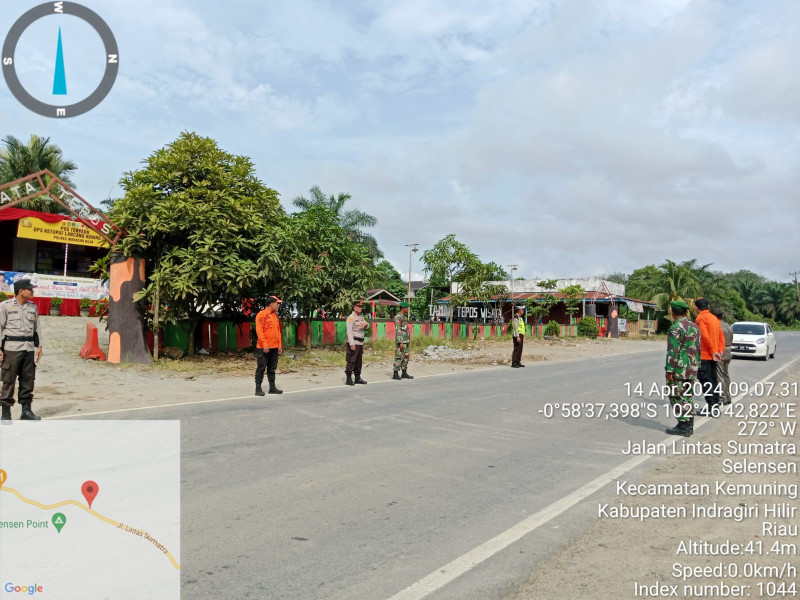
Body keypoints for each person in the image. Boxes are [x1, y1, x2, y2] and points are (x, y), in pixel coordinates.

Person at [0, 279, 43, 421]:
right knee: (9, 380)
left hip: (28, 348)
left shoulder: (33, 307)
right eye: (29, 289)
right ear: (21, 291)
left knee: (28, 380)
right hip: (11, 349)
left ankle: (26, 411)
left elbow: (37, 328)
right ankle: (6, 414)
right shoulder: (5, 306)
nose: (32, 291)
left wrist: (40, 346)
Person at [664, 300, 701, 436]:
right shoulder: (695, 327)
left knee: (675, 395)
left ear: (672, 313)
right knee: (687, 395)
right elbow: (697, 348)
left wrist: (669, 370)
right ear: (686, 312)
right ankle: (688, 425)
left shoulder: (675, 328)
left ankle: (683, 425)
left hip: (678, 369)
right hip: (692, 367)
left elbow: (673, 350)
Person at [694, 298, 725, 416]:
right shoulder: (714, 318)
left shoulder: (701, 318)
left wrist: (712, 351)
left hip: (705, 355)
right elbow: (721, 336)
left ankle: (712, 407)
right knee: (713, 380)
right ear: (708, 306)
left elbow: (704, 336)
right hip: (714, 355)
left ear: (697, 308)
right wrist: (719, 351)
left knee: (706, 381)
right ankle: (715, 405)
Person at [254, 296, 283, 396]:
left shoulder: (275, 316)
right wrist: (265, 344)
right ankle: (258, 389)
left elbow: (278, 332)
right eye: (277, 303)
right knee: (261, 368)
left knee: (272, 368)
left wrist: (279, 345)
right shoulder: (261, 315)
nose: (278, 305)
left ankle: (272, 388)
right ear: (271, 304)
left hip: (274, 347)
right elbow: (259, 331)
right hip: (264, 348)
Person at [345, 299, 369, 386]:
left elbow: (367, 325)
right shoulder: (351, 318)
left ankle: (357, 377)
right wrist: (351, 344)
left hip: (360, 343)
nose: (360, 308)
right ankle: (348, 378)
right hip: (354, 342)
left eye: (361, 307)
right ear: (354, 307)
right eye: (358, 307)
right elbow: (349, 331)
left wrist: (366, 325)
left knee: (358, 361)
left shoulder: (360, 317)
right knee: (351, 360)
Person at [712, 308, 733, 405]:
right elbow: (731, 341)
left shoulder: (717, 326)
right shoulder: (729, 326)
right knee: (725, 374)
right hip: (728, 351)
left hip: (721, 351)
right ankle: (728, 396)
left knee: (719, 375)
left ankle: (722, 397)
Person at [393, 302, 413, 380]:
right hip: (401, 341)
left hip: (406, 341)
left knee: (406, 356)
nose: (408, 309)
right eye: (407, 308)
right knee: (399, 356)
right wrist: (401, 342)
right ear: (403, 308)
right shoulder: (398, 317)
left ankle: (404, 372)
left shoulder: (403, 317)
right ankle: (395, 373)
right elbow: (398, 330)